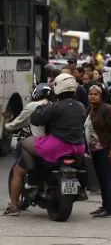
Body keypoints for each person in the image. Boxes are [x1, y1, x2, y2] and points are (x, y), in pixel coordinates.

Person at [22, 74, 87, 188]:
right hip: (78, 147)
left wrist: (40, 108)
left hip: (57, 146)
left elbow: (36, 120)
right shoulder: (81, 106)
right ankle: (81, 188)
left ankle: (33, 179)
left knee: (25, 143)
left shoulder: (54, 106)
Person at [3, 84, 52, 216]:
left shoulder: (32, 106)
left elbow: (18, 123)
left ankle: (14, 207)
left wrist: (6, 126)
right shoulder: (54, 105)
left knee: (17, 172)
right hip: (55, 145)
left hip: (38, 145)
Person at [85, 85, 111, 218]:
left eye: (95, 94)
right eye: (90, 94)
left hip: (105, 149)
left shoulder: (107, 108)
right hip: (94, 150)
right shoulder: (91, 108)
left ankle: (109, 209)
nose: (92, 96)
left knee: (107, 179)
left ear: (101, 96)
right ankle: (104, 206)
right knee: (100, 178)